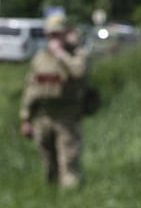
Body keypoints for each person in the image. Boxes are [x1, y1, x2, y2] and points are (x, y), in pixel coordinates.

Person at [19, 13, 89, 188]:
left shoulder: (77, 54)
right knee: (49, 162)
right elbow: (31, 89)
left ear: (67, 33)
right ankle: (52, 197)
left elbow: (79, 73)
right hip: (43, 117)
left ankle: (71, 201)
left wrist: (61, 54)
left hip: (67, 116)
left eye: (57, 34)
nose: (53, 38)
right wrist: (26, 118)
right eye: (50, 35)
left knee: (68, 161)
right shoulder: (40, 57)